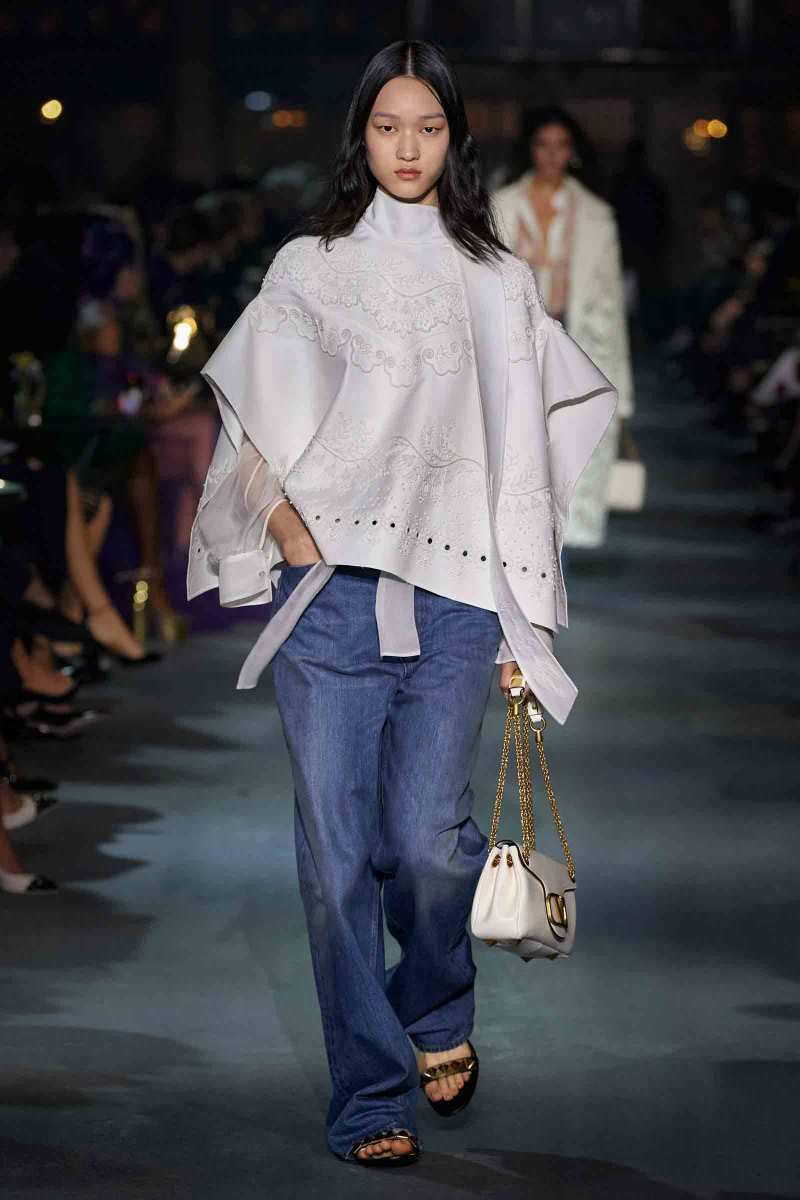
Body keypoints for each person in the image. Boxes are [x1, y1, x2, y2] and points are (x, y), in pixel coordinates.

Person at [188, 42, 616, 1167]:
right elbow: (253, 424)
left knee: (425, 845)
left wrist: (526, 617)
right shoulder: (312, 266)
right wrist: (292, 536)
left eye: (428, 127)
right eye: (388, 127)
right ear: (361, 136)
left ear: (454, 138)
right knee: (336, 859)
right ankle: (369, 1093)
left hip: (458, 599)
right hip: (331, 599)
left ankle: (433, 1001)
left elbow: (521, 458)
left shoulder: (496, 279)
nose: (408, 148)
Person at [492, 107, 633, 548]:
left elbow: (609, 306)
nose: (552, 155)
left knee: (570, 452)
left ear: (573, 152)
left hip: (578, 344)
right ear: (530, 149)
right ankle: (520, 550)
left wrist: (623, 396)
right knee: (515, 454)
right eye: (543, 144)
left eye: (561, 145)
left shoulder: (596, 216)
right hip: (512, 348)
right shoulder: (499, 207)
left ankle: (553, 557)